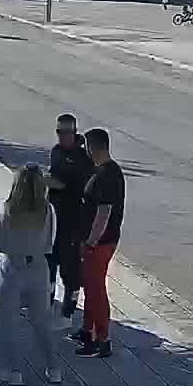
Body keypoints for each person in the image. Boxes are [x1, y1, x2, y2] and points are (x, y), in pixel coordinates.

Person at [0, 166, 62, 386]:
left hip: (12, 267)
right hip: (39, 267)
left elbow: (0, 244)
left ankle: (13, 371)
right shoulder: (48, 211)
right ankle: (53, 368)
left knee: (9, 324)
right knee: (42, 323)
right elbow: (50, 242)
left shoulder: (4, 210)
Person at [73, 128, 125, 359]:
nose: (85, 150)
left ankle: (101, 340)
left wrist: (91, 242)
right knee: (91, 287)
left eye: (87, 146)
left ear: (94, 147)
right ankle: (88, 330)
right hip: (95, 241)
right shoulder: (105, 171)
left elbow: (104, 212)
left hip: (100, 243)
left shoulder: (107, 175)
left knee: (96, 290)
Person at [45, 113, 91, 318]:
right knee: (49, 264)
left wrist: (51, 183)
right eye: (58, 132)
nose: (62, 136)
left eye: (66, 132)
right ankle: (47, 301)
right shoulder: (56, 152)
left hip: (72, 222)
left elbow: (73, 186)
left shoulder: (82, 157)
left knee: (70, 271)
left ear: (74, 132)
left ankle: (69, 309)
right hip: (54, 219)